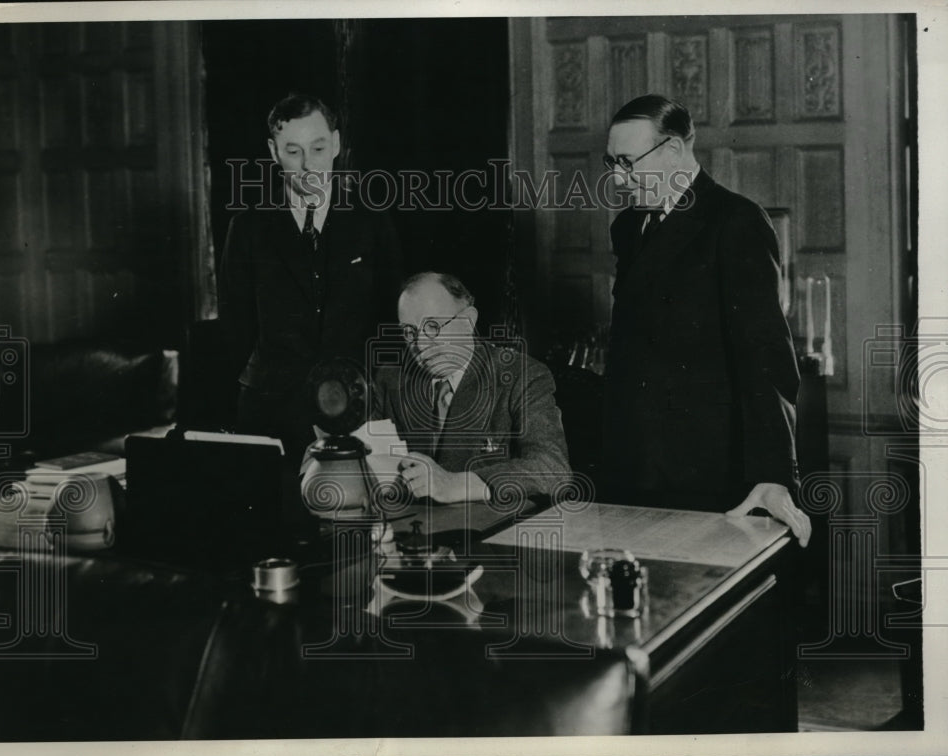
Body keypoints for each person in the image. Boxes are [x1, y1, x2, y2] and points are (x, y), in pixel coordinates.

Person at [601, 94, 811, 547]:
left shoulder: (735, 221)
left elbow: (766, 356)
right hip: (633, 465)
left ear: (674, 150)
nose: (618, 179)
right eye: (611, 163)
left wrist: (773, 474)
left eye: (626, 162)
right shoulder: (627, 227)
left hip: (708, 472)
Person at [218, 93, 402, 457]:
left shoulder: (372, 222)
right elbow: (235, 331)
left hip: (356, 407)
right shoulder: (247, 228)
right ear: (273, 152)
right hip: (270, 412)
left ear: (335, 144)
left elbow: (389, 322)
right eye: (293, 151)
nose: (308, 166)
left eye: (317, 149)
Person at [371, 272, 571, 505]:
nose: (422, 345)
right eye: (409, 332)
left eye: (433, 327)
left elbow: (553, 469)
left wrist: (456, 484)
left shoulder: (520, 376)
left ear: (468, 320)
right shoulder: (391, 377)